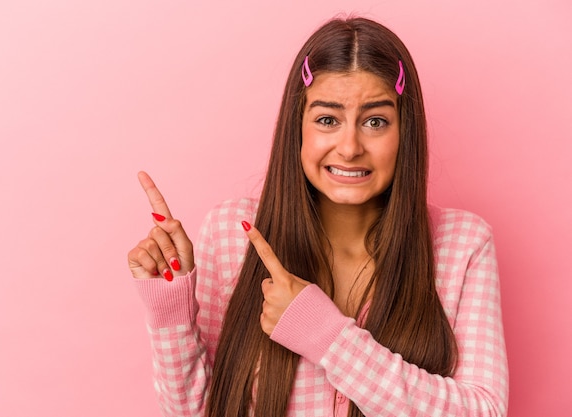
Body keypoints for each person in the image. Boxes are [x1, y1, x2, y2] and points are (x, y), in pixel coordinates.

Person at [127, 16, 508, 417]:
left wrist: (325, 336)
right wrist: (171, 311)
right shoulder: (231, 233)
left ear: (404, 132)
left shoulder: (463, 244)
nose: (349, 147)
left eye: (375, 121)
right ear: (299, 128)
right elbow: (198, 411)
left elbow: (484, 411)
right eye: (328, 120)